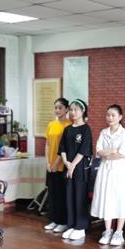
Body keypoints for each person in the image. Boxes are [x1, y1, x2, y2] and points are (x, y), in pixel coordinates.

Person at [92, 105, 125, 246]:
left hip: (119, 170)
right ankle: (107, 230)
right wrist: (112, 150)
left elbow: (123, 153)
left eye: (113, 115)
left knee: (120, 198)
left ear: (120, 117)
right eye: (108, 115)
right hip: (105, 169)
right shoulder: (103, 132)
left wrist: (107, 153)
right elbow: (98, 151)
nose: (110, 118)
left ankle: (119, 232)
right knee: (106, 197)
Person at [59, 99, 92, 241]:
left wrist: (72, 165)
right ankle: (71, 225)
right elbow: (62, 148)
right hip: (68, 167)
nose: (73, 112)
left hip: (80, 168)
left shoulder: (86, 129)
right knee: (69, 196)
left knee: (79, 196)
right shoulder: (67, 129)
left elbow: (84, 150)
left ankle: (81, 227)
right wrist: (66, 163)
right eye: (71, 109)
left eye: (76, 109)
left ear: (82, 111)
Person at [43, 98, 71, 232]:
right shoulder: (51, 124)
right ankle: (54, 220)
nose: (57, 110)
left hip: (61, 166)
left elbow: (64, 148)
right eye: (56, 107)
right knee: (52, 194)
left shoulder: (69, 126)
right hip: (51, 166)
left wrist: (55, 163)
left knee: (61, 195)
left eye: (60, 107)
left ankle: (63, 221)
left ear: (66, 109)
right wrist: (48, 162)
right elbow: (48, 144)